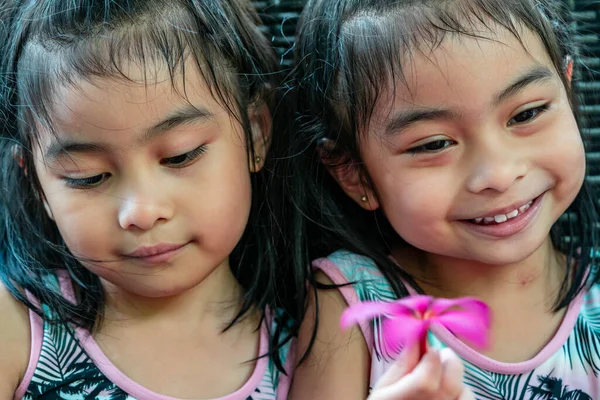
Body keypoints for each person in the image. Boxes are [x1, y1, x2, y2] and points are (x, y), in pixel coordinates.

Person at [287, 0, 600, 398]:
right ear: (353, 173)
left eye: (526, 114)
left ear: (567, 89)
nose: (499, 175)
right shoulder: (353, 299)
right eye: (435, 144)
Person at [0, 0, 299, 398]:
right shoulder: (17, 328)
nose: (141, 212)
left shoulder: (310, 351)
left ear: (255, 133)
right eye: (87, 178)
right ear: (39, 187)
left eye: (180, 155)